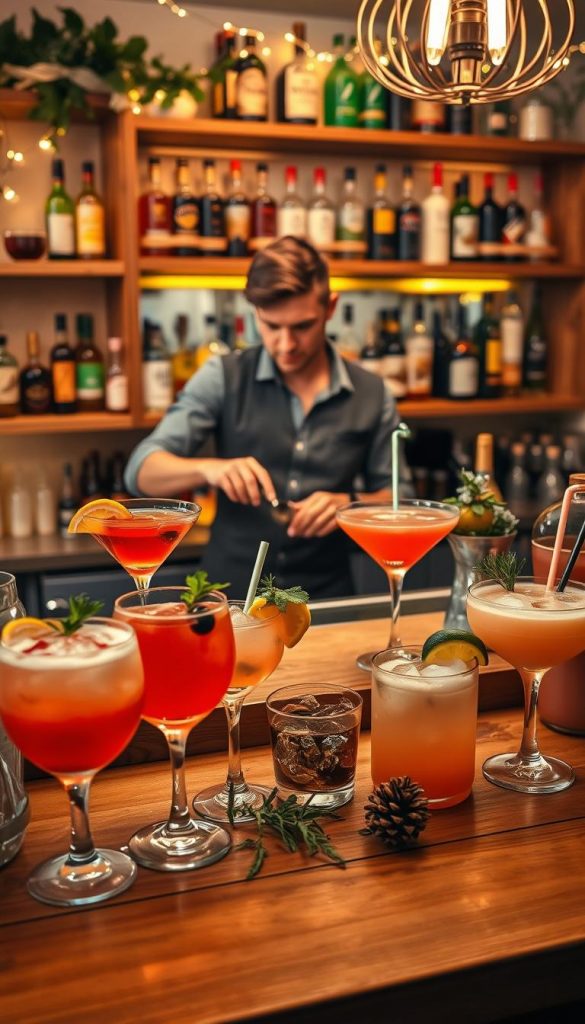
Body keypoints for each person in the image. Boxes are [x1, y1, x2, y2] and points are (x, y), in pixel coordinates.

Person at [125, 236, 403, 598]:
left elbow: (400, 499)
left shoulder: (373, 394)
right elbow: (140, 472)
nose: (285, 344)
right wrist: (210, 469)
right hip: (228, 600)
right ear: (255, 312)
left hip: (325, 602)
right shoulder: (223, 376)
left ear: (331, 307)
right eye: (271, 326)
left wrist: (349, 505)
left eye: (302, 326)